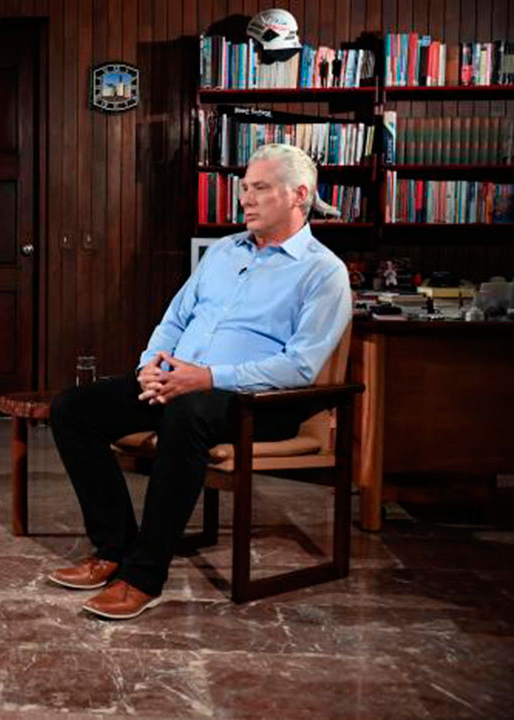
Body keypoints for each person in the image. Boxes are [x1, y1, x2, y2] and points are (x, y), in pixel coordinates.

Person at [48, 143, 352, 620]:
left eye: (260, 188)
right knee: (73, 409)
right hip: (179, 382)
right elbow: (175, 319)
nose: (245, 199)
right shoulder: (224, 252)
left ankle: (144, 575)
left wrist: (207, 377)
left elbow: (300, 366)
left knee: (189, 414)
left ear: (299, 195)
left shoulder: (323, 272)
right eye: (244, 188)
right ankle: (115, 548)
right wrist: (151, 365)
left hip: (256, 402)